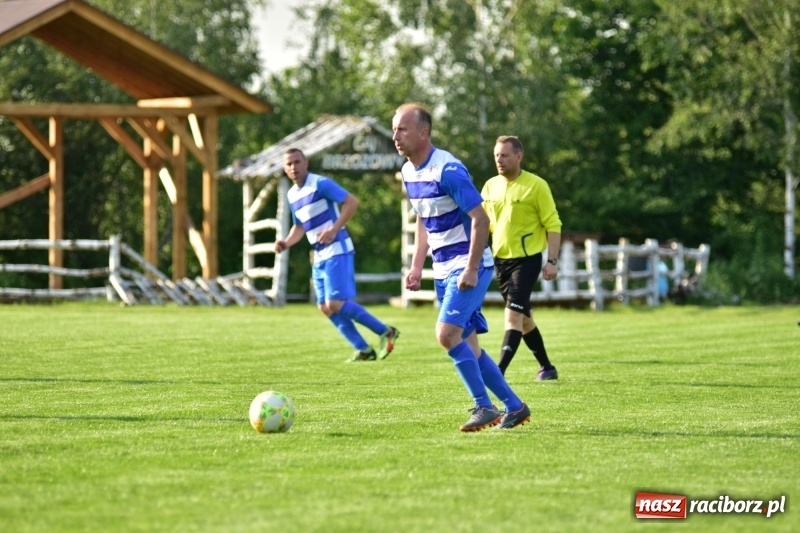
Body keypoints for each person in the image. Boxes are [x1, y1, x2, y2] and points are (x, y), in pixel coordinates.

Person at [392, 103, 530, 432]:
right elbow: (424, 219)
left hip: (470, 265)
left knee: (446, 334)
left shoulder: (448, 170)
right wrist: (416, 265)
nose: (395, 136)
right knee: (468, 343)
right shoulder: (408, 172)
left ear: (423, 133)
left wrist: (470, 268)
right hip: (442, 268)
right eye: (395, 129)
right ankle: (515, 407)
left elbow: (480, 220)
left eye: (402, 129)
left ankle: (484, 406)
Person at [274, 148, 399, 362]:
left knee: (335, 303)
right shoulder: (292, 194)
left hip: (337, 249)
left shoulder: (320, 184)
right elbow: (300, 227)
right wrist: (285, 242)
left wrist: (334, 229)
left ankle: (385, 331)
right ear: (285, 169)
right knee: (325, 307)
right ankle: (364, 350)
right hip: (319, 255)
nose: (293, 167)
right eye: (289, 164)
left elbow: (351, 202)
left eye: (297, 162)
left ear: (306, 163)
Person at [481, 135, 562, 381]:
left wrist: (552, 261)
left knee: (513, 316)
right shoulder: (490, 186)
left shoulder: (536, 185)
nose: (499, 160)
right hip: (500, 262)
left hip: (526, 261)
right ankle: (547, 368)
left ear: (519, 156)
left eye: (504, 155)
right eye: (497, 155)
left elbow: (553, 224)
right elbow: (483, 225)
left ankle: (498, 372)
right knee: (525, 320)